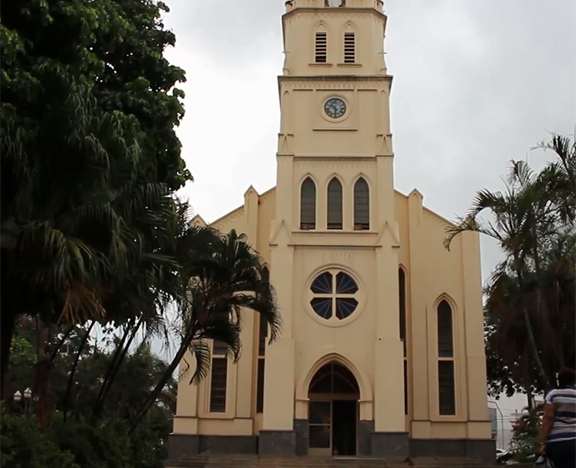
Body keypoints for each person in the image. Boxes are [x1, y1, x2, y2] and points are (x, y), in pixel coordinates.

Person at [540, 368, 576, 468]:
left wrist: (543, 442)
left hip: (557, 442)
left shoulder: (553, 395)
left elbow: (548, 418)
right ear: (574, 381)